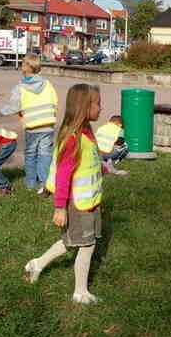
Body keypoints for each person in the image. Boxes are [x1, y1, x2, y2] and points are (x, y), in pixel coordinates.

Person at [23, 84, 119, 305]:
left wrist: (107, 169)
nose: (101, 107)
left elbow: (89, 162)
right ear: (84, 107)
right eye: (97, 103)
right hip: (77, 204)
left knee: (71, 241)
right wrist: (59, 207)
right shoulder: (73, 138)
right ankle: (80, 292)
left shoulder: (86, 133)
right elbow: (63, 176)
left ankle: (37, 263)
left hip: (89, 202)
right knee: (87, 245)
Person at [0, 54, 58, 192]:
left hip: (32, 126)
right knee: (45, 154)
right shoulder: (47, 84)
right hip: (48, 124)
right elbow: (55, 101)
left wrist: (0, 111)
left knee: (31, 153)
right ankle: (45, 182)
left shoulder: (20, 87)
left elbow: (14, 107)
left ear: (24, 68)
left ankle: (30, 182)